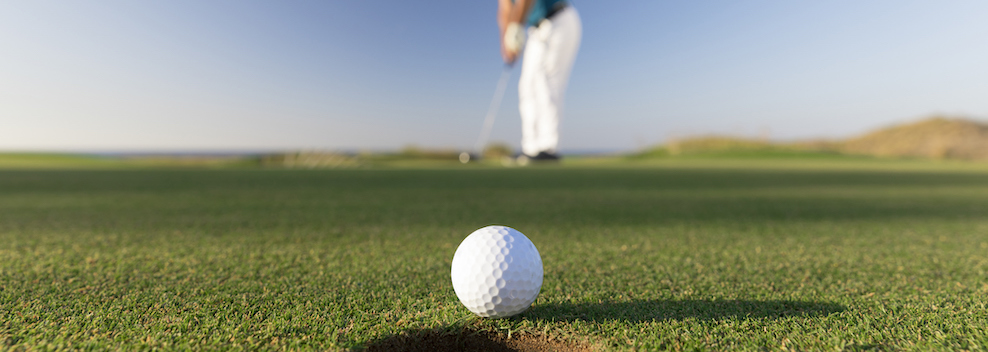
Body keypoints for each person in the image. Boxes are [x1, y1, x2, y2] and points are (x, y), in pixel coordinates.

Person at [498, 0, 581, 162]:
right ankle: (530, 148)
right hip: (535, 31)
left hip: (559, 20)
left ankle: (549, 147)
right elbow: (505, 8)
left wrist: (515, 27)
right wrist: (506, 41)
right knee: (527, 87)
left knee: (547, 84)